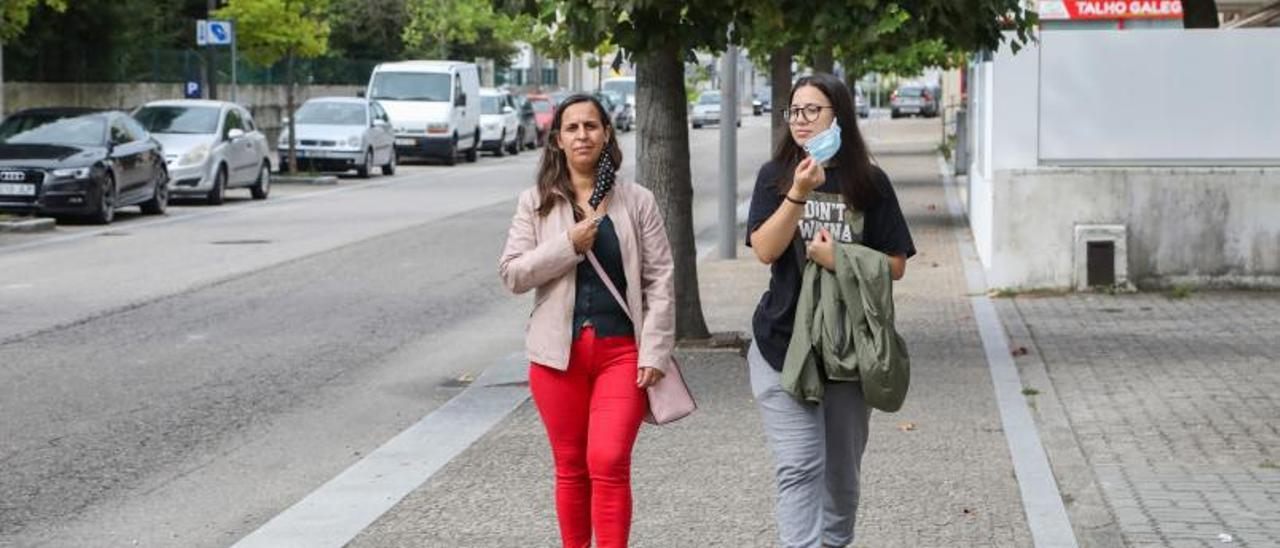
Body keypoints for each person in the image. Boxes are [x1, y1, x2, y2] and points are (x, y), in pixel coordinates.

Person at [745, 73, 916, 548]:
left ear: (837, 115)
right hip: (782, 344)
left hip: (847, 351)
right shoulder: (774, 177)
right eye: (794, 112)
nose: (800, 121)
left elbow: (896, 264)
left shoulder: (868, 182)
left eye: (811, 111)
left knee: (841, 478)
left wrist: (840, 257)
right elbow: (764, 248)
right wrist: (797, 193)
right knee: (799, 466)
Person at [498, 93, 676, 548]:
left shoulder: (637, 201)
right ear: (557, 140)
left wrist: (654, 350)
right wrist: (568, 245)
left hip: (622, 354)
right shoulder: (535, 203)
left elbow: (660, 280)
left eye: (591, 126)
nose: (582, 135)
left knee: (609, 459)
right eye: (572, 128)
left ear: (607, 134)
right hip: (557, 358)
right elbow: (513, 274)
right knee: (571, 467)